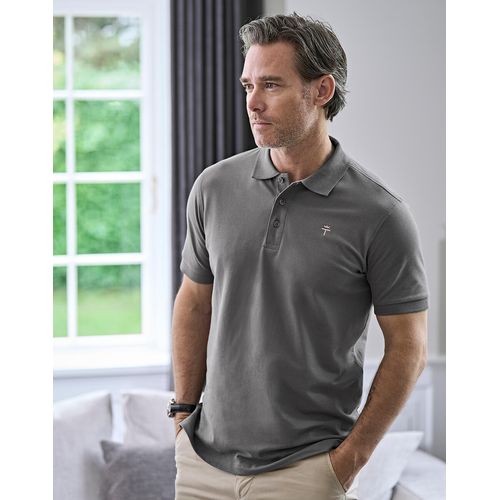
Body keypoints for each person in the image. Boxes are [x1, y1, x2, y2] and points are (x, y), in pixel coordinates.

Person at [170, 13, 429, 500]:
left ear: (321, 90)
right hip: (203, 464)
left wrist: (350, 460)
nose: (253, 102)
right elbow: (194, 302)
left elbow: (409, 347)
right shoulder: (213, 187)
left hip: (307, 471)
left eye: (271, 85)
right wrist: (182, 412)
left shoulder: (380, 214)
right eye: (248, 85)